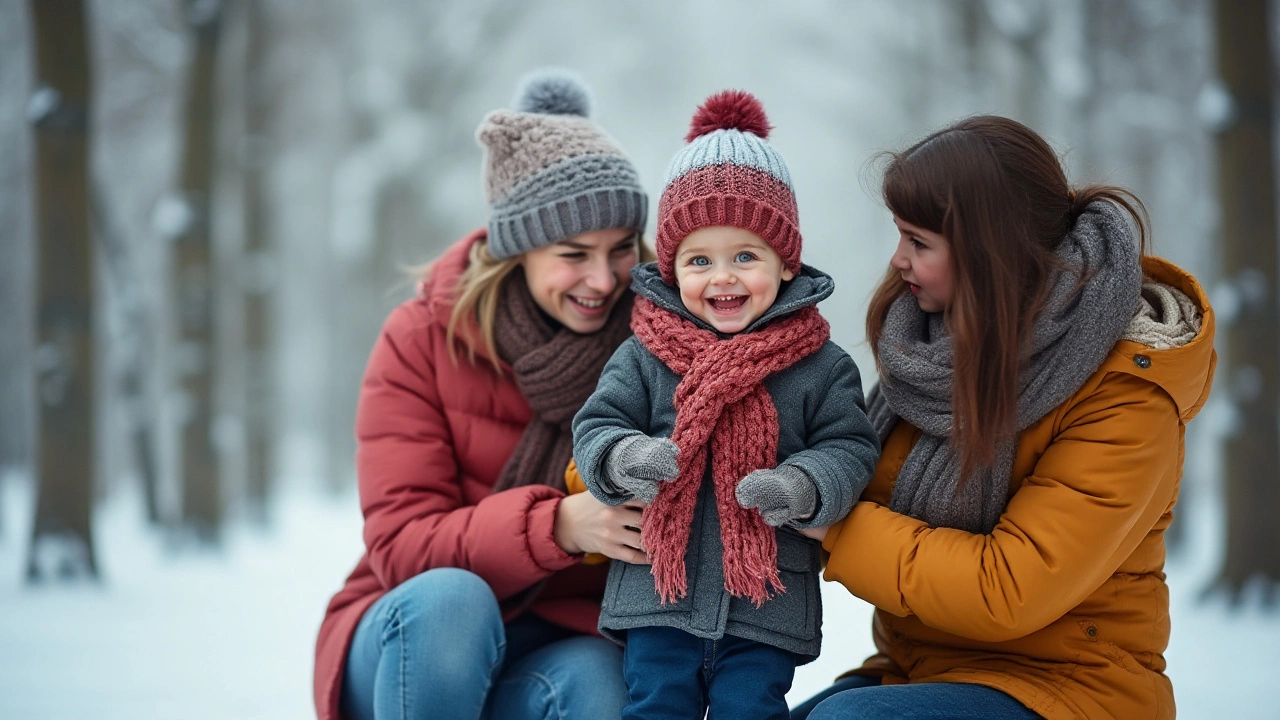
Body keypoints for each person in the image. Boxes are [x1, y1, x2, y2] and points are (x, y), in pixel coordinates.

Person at [791, 115, 1216, 720]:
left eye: (919, 242)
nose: (898, 259)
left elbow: (1009, 587)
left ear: (986, 252)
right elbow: (841, 464)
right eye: (900, 236)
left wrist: (836, 528)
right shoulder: (934, 358)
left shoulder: (1125, 395)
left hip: (1071, 690)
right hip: (923, 669)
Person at [313, 69, 654, 720]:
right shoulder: (422, 340)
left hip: (555, 646)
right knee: (451, 602)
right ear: (518, 249)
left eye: (619, 251)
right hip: (410, 639)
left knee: (604, 683)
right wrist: (555, 525)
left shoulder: (652, 351)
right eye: (574, 253)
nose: (604, 279)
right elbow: (401, 545)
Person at [571, 90, 881, 720]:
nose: (723, 278)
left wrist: (803, 484)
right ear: (672, 266)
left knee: (751, 708)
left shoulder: (821, 365)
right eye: (700, 260)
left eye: (746, 256)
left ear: (785, 262)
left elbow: (850, 448)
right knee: (657, 704)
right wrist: (625, 456)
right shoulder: (643, 355)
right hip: (660, 588)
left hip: (763, 595)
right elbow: (597, 425)